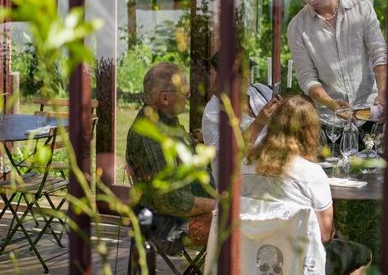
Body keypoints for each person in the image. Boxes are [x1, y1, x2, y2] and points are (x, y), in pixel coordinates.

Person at [243, 95, 371, 275]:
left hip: (249, 260)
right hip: (300, 264)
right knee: (362, 254)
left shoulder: (243, 166)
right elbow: (325, 234)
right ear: (310, 131)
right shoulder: (311, 173)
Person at [126, 62, 216, 248]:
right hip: (168, 225)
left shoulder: (165, 121)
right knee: (241, 228)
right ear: (165, 98)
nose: (189, 96)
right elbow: (171, 200)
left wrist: (195, 140)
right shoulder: (150, 135)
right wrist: (218, 205)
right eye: (185, 92)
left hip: (181, 215)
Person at [287, 0, 387, 113]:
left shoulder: (361, 6)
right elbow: (307, 78)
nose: (311, 0)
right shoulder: (297, 27)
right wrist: (330, 103)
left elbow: (379, 54)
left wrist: (383, 93)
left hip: (370, 110)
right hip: (331, 119)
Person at [201, 50, 279, 178]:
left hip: (271, 176)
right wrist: (259, 122)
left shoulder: (261, 91)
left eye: (249, 68)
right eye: (240, 72)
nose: (247, 75)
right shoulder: (214, 112)